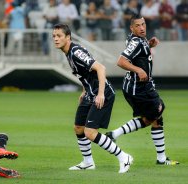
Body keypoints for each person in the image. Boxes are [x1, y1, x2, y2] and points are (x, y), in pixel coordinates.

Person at [52, 23, 133, 174]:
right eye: (54, 36)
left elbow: (100, 68)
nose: (55, 39)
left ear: (68, 37)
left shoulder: (75, 52)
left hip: (103, 93)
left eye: (59, 36)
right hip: (90, 93)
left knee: (90, 132)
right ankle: (88, 163)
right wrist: (84, 91)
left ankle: (124, 157)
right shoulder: (68, 52)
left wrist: (101, 93)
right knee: (78, 127)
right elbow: (86, 73)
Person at [105, 14, 179, 166]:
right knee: (157, 113)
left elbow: (137, 52)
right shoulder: (136, 42)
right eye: (137, 26)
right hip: (139, 88)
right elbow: (121, 61)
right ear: (132, 28)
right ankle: (116, 134)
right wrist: (138, 69)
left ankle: (160, 158)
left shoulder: (138, 39)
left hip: (137, 87)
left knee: (155, 118)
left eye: (143, 24)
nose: (142, 28)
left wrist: (149, 45)